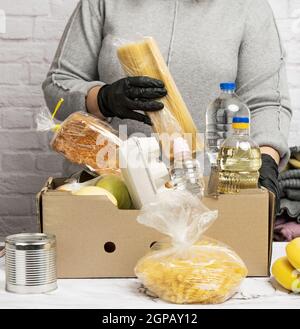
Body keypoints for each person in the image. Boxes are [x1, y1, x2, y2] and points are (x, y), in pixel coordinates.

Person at [42, 0, 292, 213]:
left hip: (207, 197)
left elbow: (267, 102)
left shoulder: (247, 7)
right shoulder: (103, 3)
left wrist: (266, 161)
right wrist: (104, 98)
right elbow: (57, 87)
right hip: (109, 194)